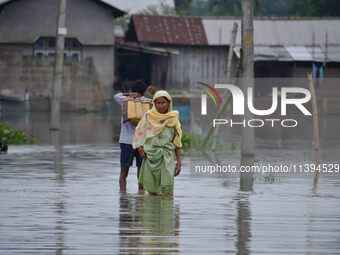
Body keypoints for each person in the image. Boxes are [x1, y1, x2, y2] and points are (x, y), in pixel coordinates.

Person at [132, 90, 182, 196]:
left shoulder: (173, 118)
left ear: (169, 103)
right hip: (151, 156)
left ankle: (167, 212)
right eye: (158, 103)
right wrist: (140, 149)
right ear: (154, 104)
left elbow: (177, 142)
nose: (160, 106)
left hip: (166, 157)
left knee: (166, 190)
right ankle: (152, 211)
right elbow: (139, 133)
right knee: (152, 191)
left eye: (163, 102)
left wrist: (179, 163)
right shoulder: (149, 116)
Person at [114, 80, 148, 192]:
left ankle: (123, 195)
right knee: (139, 171)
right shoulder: (129, 100)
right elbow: (116, 96)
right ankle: (139, 195)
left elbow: (116, 96)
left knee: (126, 172)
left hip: (132, 142)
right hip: (135, 141)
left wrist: (128, 94)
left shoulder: (129, 100)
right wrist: (130, 95)